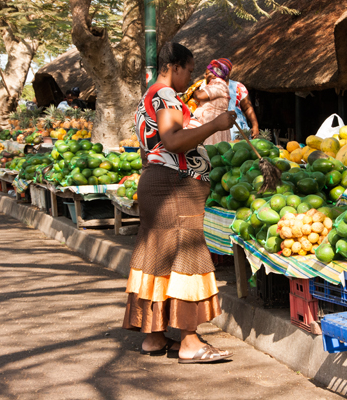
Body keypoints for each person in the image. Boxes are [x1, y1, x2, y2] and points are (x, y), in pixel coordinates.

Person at [122, 42, 236, 364]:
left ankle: (154, 337)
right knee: (186, 255)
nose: (190, 77)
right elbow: (172, 140)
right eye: (188, 69)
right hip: (175, 187)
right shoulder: (166, 96)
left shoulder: (149, 97)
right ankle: (188, 341)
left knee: (157, 256)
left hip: (157, 183)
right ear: (174, 67)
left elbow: (152, 149)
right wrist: (214, 125)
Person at [217, 58, 260, 140]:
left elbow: (248, 108)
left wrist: (255, 126)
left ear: (229, 71)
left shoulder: (238, 87)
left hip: (237, 131)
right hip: (215, 130)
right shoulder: (206, 86)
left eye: (225, 69)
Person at [193, 59, 231, 145]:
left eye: (207, 73)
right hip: (212, 123)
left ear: (214, 74)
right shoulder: (217, 84)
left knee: (210, 151)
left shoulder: (219, 84)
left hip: (212, 123)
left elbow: (200, 96)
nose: (204, 75)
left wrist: (195, 91)